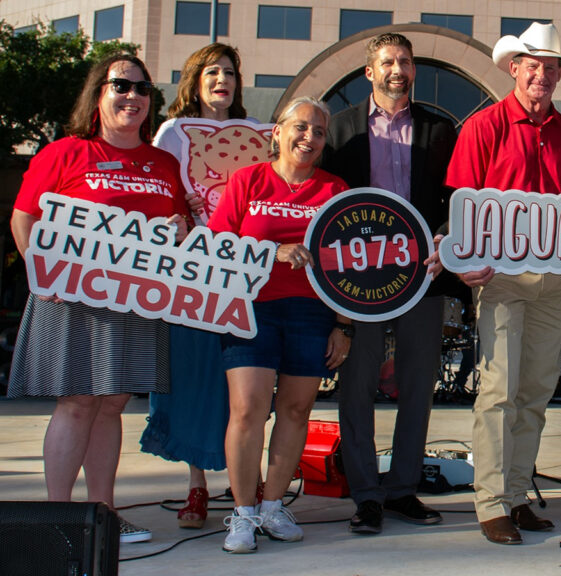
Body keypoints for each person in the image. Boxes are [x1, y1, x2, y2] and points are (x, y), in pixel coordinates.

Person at [8, 54, 189, 544]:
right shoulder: (65, 153)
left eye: (142, 89)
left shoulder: (163, 163)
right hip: (72, 298)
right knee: (77, 404)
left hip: (136, 299)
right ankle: (59, 518)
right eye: (121, 86)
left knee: (112, 405)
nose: (133, 97)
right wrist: (41, 273)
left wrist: (179, 230)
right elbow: (23, 219)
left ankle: (103, 514)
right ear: (99, 94)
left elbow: (179, 227)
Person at [444, 21, 561, 545]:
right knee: (500, 390)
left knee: (537, 389)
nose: (543, 76)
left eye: (551, 68)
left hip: (557, 277)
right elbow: (461, 208)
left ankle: (518, 493)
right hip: (500, 276)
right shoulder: (483, 126)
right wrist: (465, 260)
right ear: (515, 69)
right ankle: (490, 502)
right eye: (534, 67)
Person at [322, 32, 457, 535]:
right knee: (356, 385)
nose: (396, 68)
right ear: (369, 72)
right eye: (387, 62)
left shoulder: (441, 129)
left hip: (422, 276)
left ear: (414, 69)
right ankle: (366, 495)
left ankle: (402, 490)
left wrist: (444, 240)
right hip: (357, 281)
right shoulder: (340, 130)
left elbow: (454, 199)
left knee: (418, 382)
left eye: (404, 60)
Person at [207, 96, 350, 554]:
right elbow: (217, 245)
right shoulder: (247, 181)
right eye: (301, 127)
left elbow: (346, 263)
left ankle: (272, 506)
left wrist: (343, 325)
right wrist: (272, 253)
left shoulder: (335, 189)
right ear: (277, 132)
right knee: (247, 411)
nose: (309, 138)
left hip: (312, 313)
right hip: (250, 308)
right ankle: (243, 513)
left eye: (319, 132)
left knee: (295, 411)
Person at [141, 42, 258, 530]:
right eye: (212, 72)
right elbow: (162, 196)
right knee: (189, 382)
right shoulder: (172, 132)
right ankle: (196, 486)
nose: (222, 80)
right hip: (189, 278)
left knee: (242, 388)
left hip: (243, 279)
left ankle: (243, 487)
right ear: (195, 79)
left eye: (229, 72)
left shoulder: (259, 134)